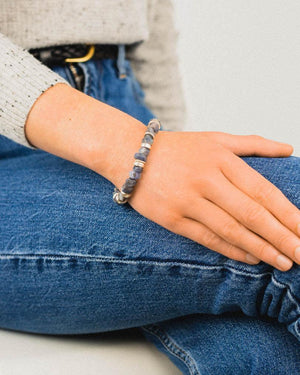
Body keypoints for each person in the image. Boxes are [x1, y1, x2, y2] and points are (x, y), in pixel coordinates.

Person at [0, 0, 299, 374]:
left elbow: (152, 20)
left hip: (126, 103)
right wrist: (129, 149)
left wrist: (170, 149)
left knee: (264, 349)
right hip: (26, 147)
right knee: (290, 202)